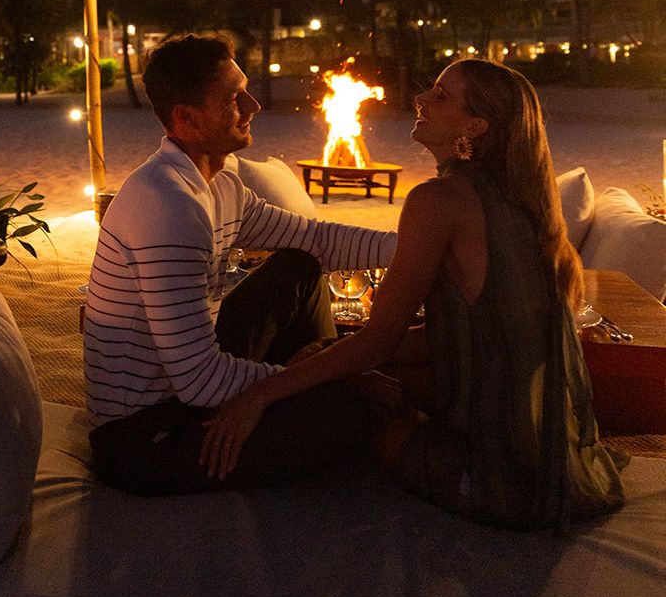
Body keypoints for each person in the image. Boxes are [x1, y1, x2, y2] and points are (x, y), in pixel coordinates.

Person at [201, 58, 627, 531]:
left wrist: (259, 393)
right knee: (323, 361)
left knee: (336, 400)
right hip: (522, 417)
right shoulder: (522, 200)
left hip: (497, 457)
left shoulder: (439, 200)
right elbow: (478, 332)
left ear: (475, 126)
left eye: (441, 96)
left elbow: (378, 338)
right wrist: (343, 361)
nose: (420, 99)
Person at [84, 35, 398, 496]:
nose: (252, 105)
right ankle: (315, 392)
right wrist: (328, 372)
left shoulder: (221, 184)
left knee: (300, 268)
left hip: (187, 384)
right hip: (145, 435)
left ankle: (303, 384)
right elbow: (199, 382)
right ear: (186, 119)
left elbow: (315, 239)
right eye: (234, 98)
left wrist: (415, 249)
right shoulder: (168, 203)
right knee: (353, 408)